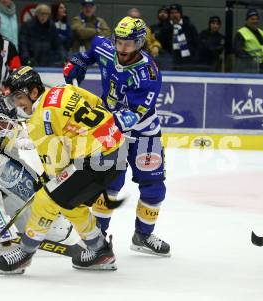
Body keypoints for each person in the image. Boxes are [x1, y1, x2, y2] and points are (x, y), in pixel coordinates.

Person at [0, 66, 126, 274]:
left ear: (33, 92)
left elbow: (56, 166)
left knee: (47, 198)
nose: (17, 104)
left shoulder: (38, 121)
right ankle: (100, 251)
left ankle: (25, 254)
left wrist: (50, 181)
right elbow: (96, 102)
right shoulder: (62, 89)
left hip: (97, 160)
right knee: (67, 199)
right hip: (116, 148)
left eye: (19, 97)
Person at [63, 16, 170, 256]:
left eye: (129, 44)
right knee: (110, 184)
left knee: (154, 187)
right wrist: (77, 63)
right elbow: (87, 55)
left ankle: (143, 235)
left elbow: (134, 115)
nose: (123, 48)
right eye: (119, 42)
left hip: (143, 132)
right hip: (110, 126)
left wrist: (96, 128)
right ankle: (97, 238)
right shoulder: (103, 46)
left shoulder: (149, 75)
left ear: (140, 43)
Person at [233, 8, 263, 73]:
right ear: (247, 20)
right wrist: (250, 59)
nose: (255, 21)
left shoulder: (262, 32)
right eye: (252, 19)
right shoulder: (241, 33)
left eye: (256, 19)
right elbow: (238, 51)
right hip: (248, 67)